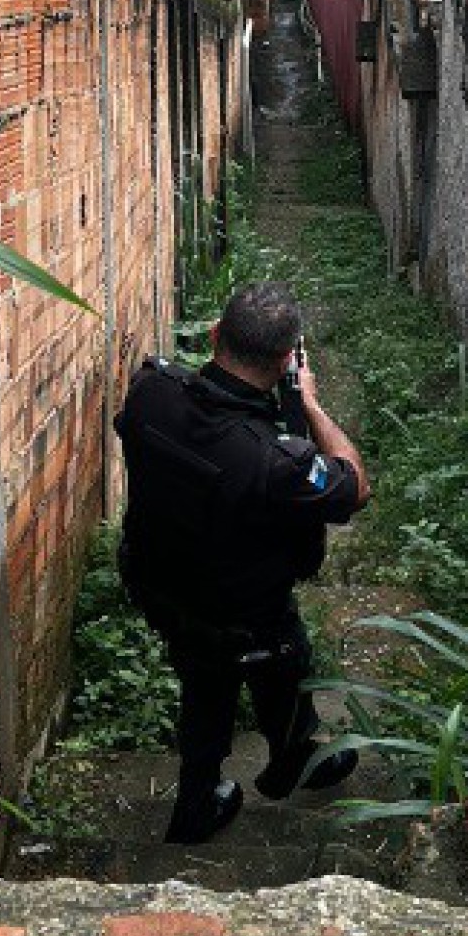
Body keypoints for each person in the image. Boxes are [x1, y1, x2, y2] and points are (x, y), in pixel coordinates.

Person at [113, 281, 372, 845]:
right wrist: (308, 404)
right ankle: (291, 760)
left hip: (160, 585)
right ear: (286, 362)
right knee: (283, 654)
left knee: (204, 685)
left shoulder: (150, 393)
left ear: (213, 337)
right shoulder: (277, 462)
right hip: (243, 612)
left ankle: (197, 802)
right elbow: (354, 486)